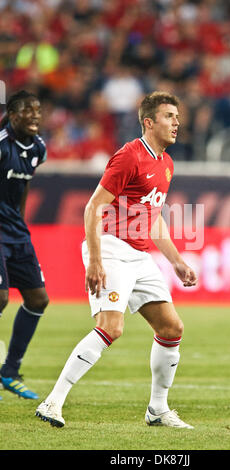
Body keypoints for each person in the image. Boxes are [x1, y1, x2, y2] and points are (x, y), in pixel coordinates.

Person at [35, 91, 197, 428]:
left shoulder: (166, 164)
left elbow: (152, 218)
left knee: (171, 327)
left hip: (138, 255)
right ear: (149, 122)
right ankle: (53, 402)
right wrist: (95, 259)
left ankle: (157, 409)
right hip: (110, 248)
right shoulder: (129, 156)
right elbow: (93, 206)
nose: (176, 123)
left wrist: (177, 262)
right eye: (169, 116)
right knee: (111, 327)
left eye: (177, 117)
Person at [0, 90, 49, 400]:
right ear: (13, 115)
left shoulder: (39, 148)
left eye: (38, 111)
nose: (35, 116)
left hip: (16, 231)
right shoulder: (1, 145)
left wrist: (19, 221)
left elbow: (24, 185)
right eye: (28, 111)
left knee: (38, 299)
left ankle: (10, 371)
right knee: (0, 298)